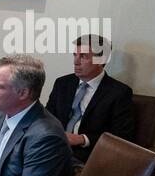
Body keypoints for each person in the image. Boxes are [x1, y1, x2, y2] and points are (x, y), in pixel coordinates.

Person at [43, 34, 136, 165]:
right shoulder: (63, 83)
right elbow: (47, 117)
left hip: (86, 156)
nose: (75, 61)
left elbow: (122, 137)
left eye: (83, 56)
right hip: (52, 147)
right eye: (75, 55)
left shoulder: (119, 92)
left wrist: (82, 139)